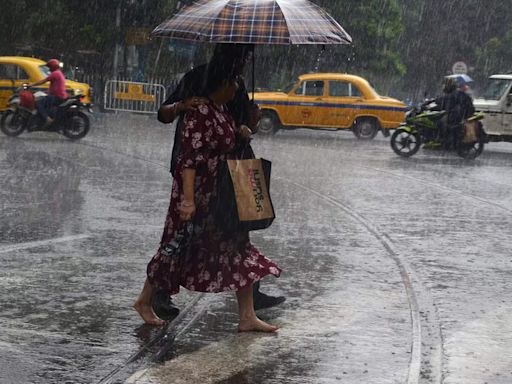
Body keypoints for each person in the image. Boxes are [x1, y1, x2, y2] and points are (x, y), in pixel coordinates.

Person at [134, 61, 282, 332]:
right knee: (176, 248)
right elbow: (188, 160)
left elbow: (223, 143)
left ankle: (247, 315)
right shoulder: (199, 111)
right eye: (234, 83)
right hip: (199, 196)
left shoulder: (220, 109)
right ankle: (145, 300)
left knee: (238, 247)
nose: (238, 88)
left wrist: (243, 131)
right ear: (222, 84)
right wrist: (188, 200)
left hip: (221, 195)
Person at [431, 77, 475, 148]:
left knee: (440, 122)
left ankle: (444, 139)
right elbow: (443, 102)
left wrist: (434, 105)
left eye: (445, 85)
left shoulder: (454, 94)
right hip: (457, 113)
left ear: (449, 85)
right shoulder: (453, 93)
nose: (443, 87)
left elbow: (444, 103)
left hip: (458, 114)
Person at [27, 59, 68, 126]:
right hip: (59, 96)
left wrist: (31, 85)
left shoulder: (55, 73)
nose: (49, 69)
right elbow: (55, 86)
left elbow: (43, 81)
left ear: (52, 67)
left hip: (56, 97)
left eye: (49, 67)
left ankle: (47, 119)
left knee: (38, 103)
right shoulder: (59, 73)